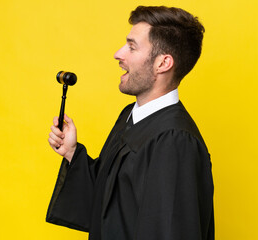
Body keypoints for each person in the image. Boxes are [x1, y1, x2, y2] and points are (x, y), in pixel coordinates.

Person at [46, 6, 214, 240]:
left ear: (163, 64)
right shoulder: (131, 115)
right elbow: (111, 204)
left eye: (132, 46)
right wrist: (72, 153)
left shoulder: (175, 141)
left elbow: (171, 231)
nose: (118, 53)